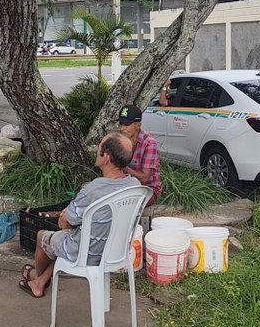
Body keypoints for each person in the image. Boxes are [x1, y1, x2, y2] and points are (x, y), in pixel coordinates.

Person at [18, 132, 139, 298]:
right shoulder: (135, 186)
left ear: (106, 158)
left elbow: (64, 223)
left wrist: (66, 215)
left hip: (87, 253)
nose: (97, 150)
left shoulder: (92, 190)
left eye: (99, 148)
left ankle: (38, 282)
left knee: (42, 237)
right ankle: (39, 279)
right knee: (67, 239)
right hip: (116, 252)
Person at [117, 104, 162, 208]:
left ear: (138, 125)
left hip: (147, 189)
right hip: (125, 186)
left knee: (122, 203)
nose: (122, 128)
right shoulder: (120, 140)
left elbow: (145, 178)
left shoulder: (149, 143)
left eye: (126, 125)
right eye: (121, 124)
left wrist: (125, 169)